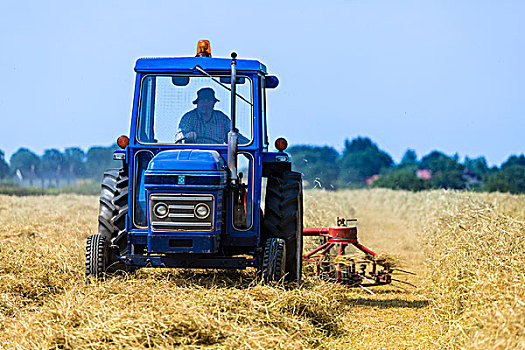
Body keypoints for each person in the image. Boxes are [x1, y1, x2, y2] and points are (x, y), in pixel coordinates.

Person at [177, 87, 249, 144]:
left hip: (217, 157)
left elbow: (235, 137)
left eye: (208, 101)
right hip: (193, 157)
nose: (205, 104)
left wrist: (250, 146)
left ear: (213, 103)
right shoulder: (189, 117)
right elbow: (179, 139)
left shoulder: (222, 119)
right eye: (202, 101)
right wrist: (187, 136)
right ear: (197, 103)